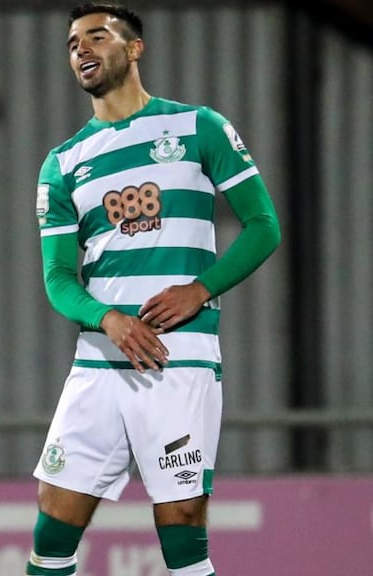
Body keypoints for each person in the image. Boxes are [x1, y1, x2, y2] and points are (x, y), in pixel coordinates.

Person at [27, 3, 280, 576]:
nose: (81, 50)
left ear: (134, 48)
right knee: (53, 516)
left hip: (179, 359)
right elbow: (59, 277)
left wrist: (200, 289)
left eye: (96, 36)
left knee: (183, 518)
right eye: (72, 43)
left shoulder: (199, 127)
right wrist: (108, 319)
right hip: (99, 364)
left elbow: (264, 226)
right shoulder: (63, 163)